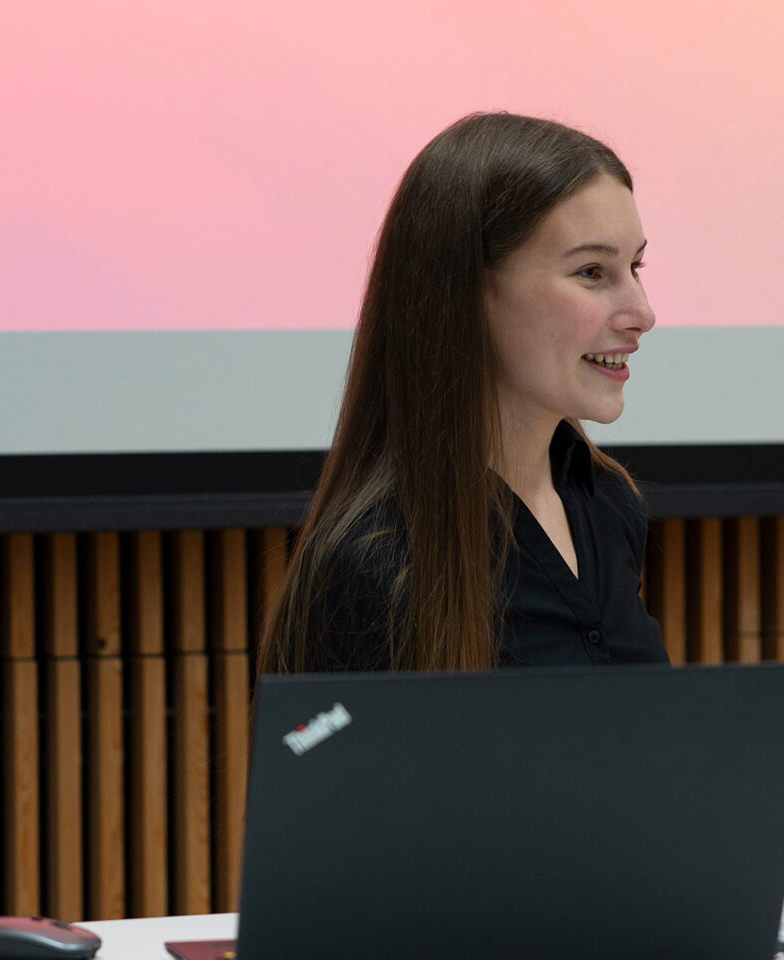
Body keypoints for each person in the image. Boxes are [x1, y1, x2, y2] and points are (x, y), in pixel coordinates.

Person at [259, 111, 668, 675]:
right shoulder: (374, 562)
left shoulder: (608, 505)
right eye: (592, 272)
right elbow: (318, 761)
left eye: (635, 266)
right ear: (467, 290)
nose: (642, 314)